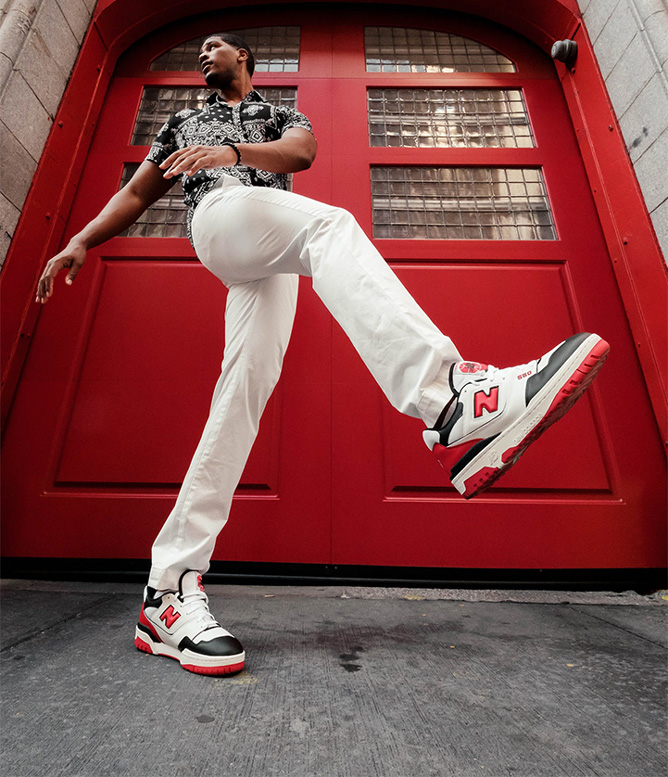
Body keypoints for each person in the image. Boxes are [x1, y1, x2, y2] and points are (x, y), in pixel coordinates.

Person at [36, 33, 610, 677]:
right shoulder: (179, 120)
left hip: (264, 249)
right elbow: (138, 194)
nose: (203, 54)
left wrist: (232, 148)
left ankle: (166, 591)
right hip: (223, 218)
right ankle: (446, 397)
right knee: (329, 225)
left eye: (216, 46)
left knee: (241, 398)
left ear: (246, 61)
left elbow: (302, 152)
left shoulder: (277, 112)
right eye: (198, 48)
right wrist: (82, 240)